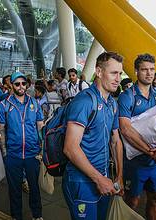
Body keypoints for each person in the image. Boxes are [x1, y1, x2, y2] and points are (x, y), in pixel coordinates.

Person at [62, 52, 124, 220]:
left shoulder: (112, 103)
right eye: (113, 73)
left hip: (103, 178)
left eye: (120, 73)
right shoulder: (84, 101)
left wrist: (119, 175)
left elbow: (116, 140)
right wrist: (99, 180)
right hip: (82, 182)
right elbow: (70, 148)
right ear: (98, 72)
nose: (118, 78)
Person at [118, 53, 156, 220]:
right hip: (135, 162)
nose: (149, 73)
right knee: (132, 201)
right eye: (144, 69)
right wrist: (150, 152)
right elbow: (125, 129)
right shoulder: (127, 96)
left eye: (152, 69)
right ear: (136, 71)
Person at [0, 72, 44, 220]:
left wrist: (42, 150)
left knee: (34, 188)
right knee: (14, 189)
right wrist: (4, 152)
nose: (21, 86)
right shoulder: (4, 104)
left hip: (32, 154)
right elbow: (1, 129)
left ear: (27, 84)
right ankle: (16, 216)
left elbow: (40, 127)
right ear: (11, 85)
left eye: (23, 83)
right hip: (13, 154)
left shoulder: (34, 103)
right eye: (17, 84)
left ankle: (37, 215)